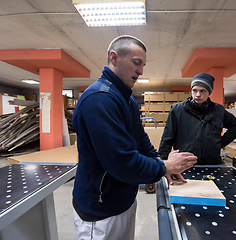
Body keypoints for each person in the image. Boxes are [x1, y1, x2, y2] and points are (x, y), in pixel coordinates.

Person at [72, 35, 197, 240]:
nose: (141, 71)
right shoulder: (99, 100)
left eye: (143, 65)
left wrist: (159, 163)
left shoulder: (126, 98)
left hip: (124, 200)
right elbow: (122, 162)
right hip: (100, 210)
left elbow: (140, 139)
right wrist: (165, 167)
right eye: (136, 63)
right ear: (114, 58)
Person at [158, 72, 236, 165]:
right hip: (184, 163)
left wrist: (220, 143)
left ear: (209, 92)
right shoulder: (177, 110)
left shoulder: (218, 110)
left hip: (212, 162)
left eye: (202, 91)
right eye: (195, 90)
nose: (198, 94)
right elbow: (167, 138)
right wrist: (163, 164)